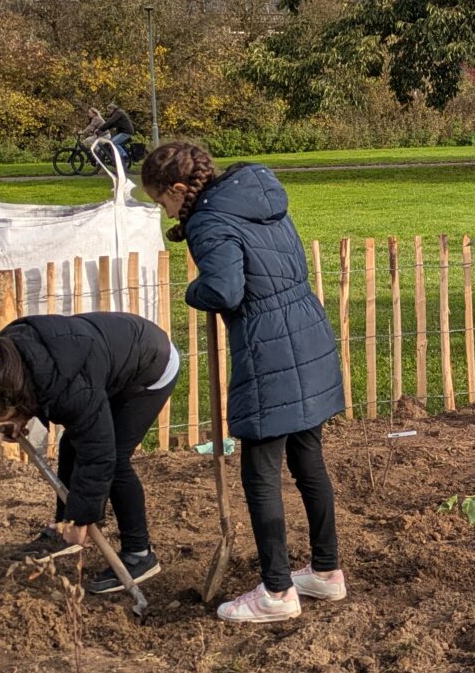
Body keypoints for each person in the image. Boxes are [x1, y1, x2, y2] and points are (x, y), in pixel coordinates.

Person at [141, 142, 346, 626]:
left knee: (259, 472)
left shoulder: (210, 223)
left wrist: (194, 290)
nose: (162, 211)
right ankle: (326, 571)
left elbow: (224, 290)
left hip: (268, 348)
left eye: (160, 202)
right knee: (307, 459)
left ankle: (277, 591)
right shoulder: (256, 197)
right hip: (307, 331)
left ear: (177, 190)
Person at [0, 312, 177, 596]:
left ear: (12, 396)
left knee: (116, 459)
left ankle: (139, 554)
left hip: (150, 366)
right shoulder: (6, 356)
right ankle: (65, 529)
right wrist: (22, 415)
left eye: (1, 417)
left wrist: (81, 518)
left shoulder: (71, 388)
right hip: (106, 357)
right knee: (71, 443)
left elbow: (99, 456)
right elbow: (37, 386)